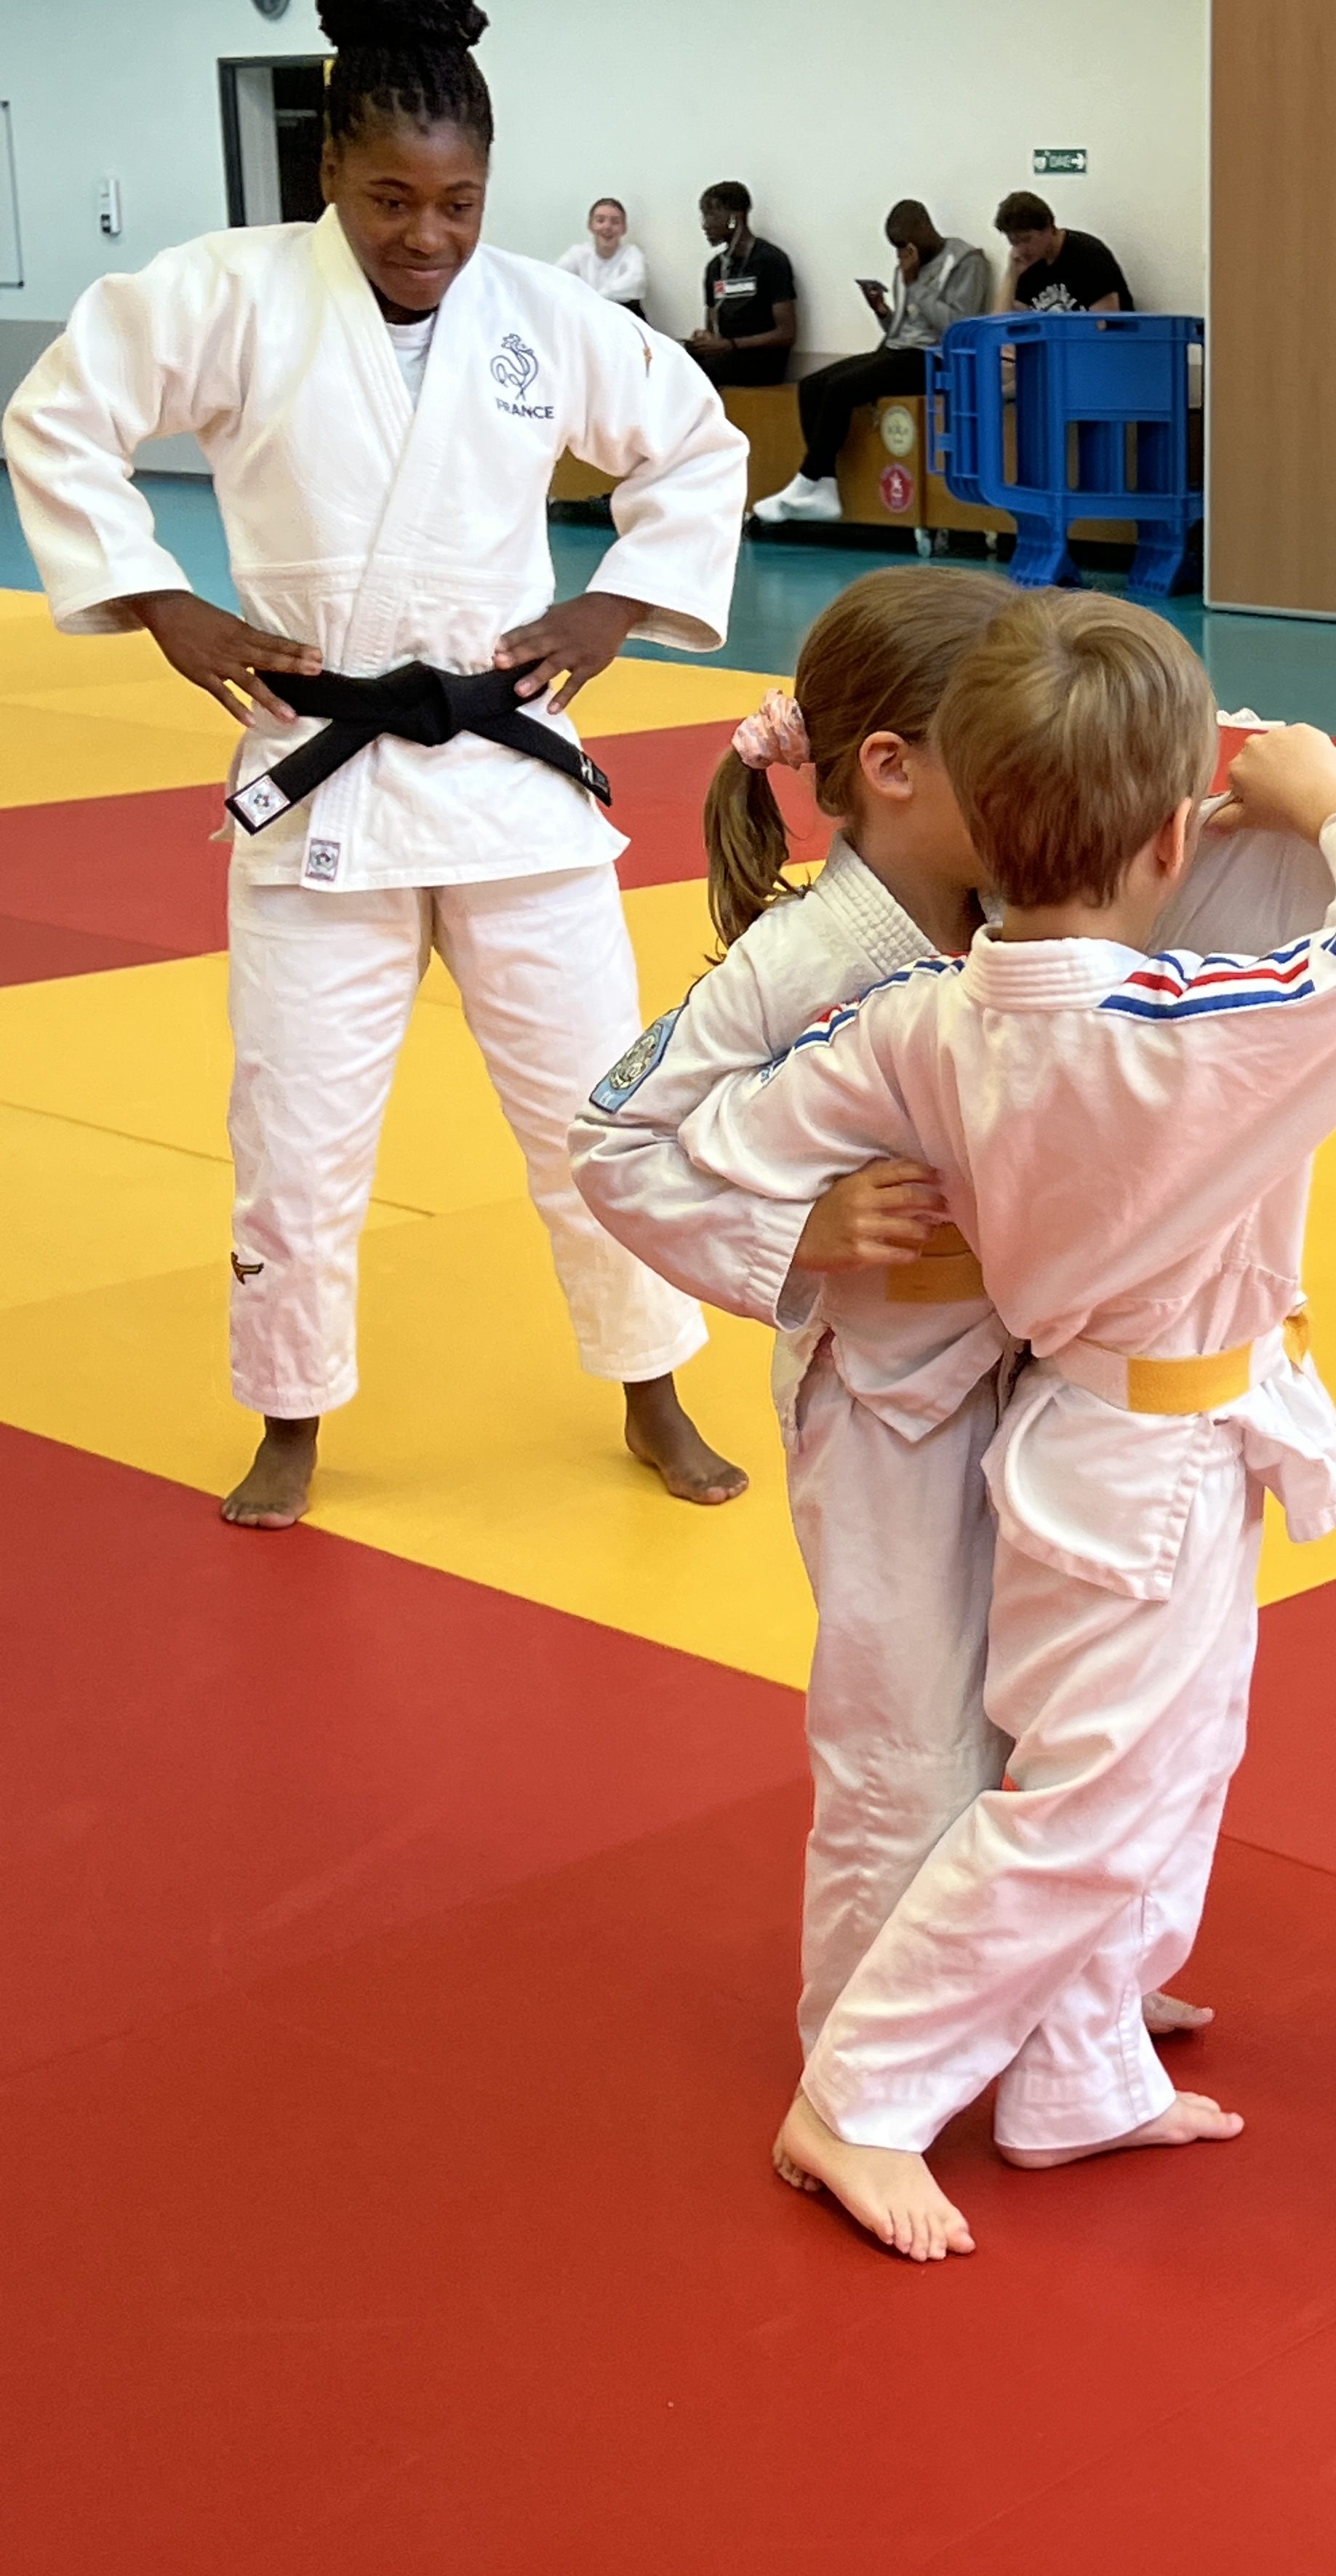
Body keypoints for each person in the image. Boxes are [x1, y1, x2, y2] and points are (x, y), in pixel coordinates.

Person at [571, 568, 1336, 2093]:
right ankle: (867, 2052)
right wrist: (792, 1231)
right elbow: (613, 1144)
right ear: (898, 766)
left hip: (1048, 1374)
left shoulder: (1039, 883)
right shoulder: (804, 963)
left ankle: (1061, 2010)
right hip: (888, 1394)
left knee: (1060, 1719)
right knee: (909, 1734)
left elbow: (1191, 775)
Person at [1, 0, 747, 1529]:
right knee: (297, 1135)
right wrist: (160, 599)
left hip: (508, 773)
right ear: (330, 172)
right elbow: (59, 419)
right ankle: (290, 1414)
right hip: (321, 768)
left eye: (458, 202)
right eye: (392, 198)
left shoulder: (541, 313)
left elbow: (696, 443)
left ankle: (653, 1387)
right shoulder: (227, 294)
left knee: (600, 1116)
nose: (427, 235)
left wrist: (614, 603)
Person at [751, 203, 988, 527]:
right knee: (811, 386)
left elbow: (957, 327)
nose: (901, 254)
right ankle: (825, 486)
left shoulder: (966, 261)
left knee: (841, 389)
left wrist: (915, 284)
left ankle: (806, 480)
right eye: (896, 248)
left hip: (936, 359)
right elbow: (901, 329)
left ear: (924, 228)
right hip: (898, 351)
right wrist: (882, 310)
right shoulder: (908, 266)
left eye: (905, 245)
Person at [686, 179, 797, 388]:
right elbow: (712, 324)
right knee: (673, 363)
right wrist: (704, 339)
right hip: (725, 354)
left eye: (712, 215)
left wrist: (731, 345)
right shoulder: (715, 267)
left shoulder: (770, 260)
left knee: (702, 374)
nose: (705, 225)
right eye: (704, 216)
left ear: (734, 218)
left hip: (761, 360)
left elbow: (786, 334)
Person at [990, 192, 1130, 312]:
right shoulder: (1025, 262)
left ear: (1049, 228)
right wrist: (1011, 275)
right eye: (1013, 242)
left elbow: (1105, 323)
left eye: (1027, 240)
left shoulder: (1088, 255)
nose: (1021, 249)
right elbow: (1001, 325)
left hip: (1100, 336)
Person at [556, 196, 646, 313]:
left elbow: (634, 282)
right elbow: (555, 277)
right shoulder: (578, 254)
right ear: (590, 225)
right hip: (587, 313)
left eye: (615, 222)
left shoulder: (632, 254)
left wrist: (595, 298)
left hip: (623, 314)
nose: (607, 227)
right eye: (600, 220)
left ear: (624, 228)